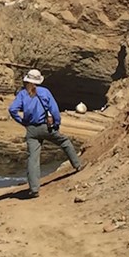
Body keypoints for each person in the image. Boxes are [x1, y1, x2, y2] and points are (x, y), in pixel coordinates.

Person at [8, 69, 83, 198]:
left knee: (33, 158)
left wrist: (22, 122)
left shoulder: (22, 94)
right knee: (64, 141)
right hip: (46, 127)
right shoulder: (44, 92)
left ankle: (34, 189)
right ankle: (78, 165)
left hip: (31, 129)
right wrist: (56, 124)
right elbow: (54, 110)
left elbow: (12, 109)